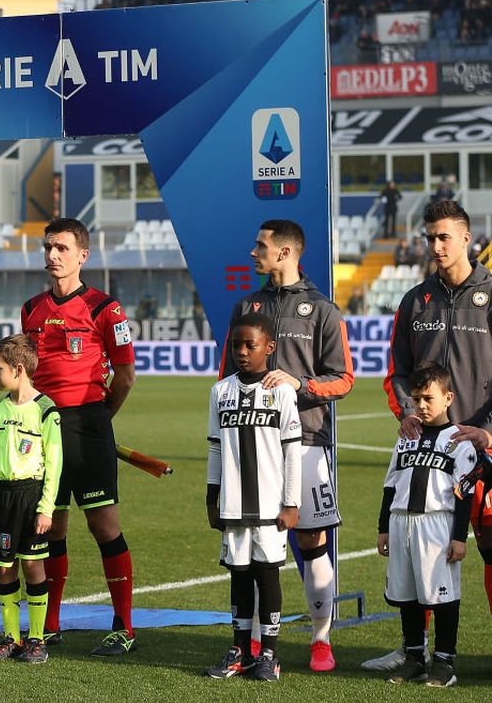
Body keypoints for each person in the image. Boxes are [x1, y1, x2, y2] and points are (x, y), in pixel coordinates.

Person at [219, 219, 352, 672]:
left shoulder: (322, 310)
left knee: (311, 541)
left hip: (308, 443)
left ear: (285, 252)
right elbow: (226, 377)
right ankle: (253, 646)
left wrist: (302, 384)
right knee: (253, 544)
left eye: (261, 245)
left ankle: (321, 639)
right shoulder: (247, 305)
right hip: (249, 447)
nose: (254, 251)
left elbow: (345, 379)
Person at [370, 199, 492, 671]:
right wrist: (407, 410)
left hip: (483, 445)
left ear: (466, 238)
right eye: (430, 237)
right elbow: (397, 370)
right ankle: (414, 652)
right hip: (428, 450)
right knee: (421, 550)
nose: (436, 246)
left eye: (445, 237)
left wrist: (485, 431)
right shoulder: (414, 299)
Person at [20, 217, 136, 656]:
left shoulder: (106, 309)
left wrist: (100, 417)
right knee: (51, 527)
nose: (52, 255)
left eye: (62, 248)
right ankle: (49, 624)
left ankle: (124, 626)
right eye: (48, 247)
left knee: (104, 526)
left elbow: (124, 375)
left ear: (83, 255)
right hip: (41, 427)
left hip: (89, 426)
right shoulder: (31, 308)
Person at [204, 312, 300, 683]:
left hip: (270, 506)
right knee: (239, 577)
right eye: (236, 345)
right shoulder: (220, 391)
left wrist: (291, 503)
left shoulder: (281, 392)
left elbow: (292, 451)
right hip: (231, 504)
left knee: (267, 575)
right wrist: (211, 499)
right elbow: (215, 449)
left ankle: (270, 655)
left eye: (250, 345)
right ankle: (240, 651)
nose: (242, 352)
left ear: (269, 348)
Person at [378, 362, 476, 688]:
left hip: (436, 525)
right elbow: (390, 486)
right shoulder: (407, 435)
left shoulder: (459, 440)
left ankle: (445, 661)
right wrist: (383, 528)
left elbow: (464, 493)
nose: (420, 405)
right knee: (407, 596)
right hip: (401, 521)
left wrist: (459, 538)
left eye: (428, 398)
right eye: (416, 398)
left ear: (448, 398)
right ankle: (415, 658)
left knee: (442, 596)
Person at [0, 335, 61, 664]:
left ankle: (37, 640)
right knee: (4, 569)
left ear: (19, 369)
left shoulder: (45, 410)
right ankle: (10, 637)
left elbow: (54, 463)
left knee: (34, 566)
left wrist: (46, 508)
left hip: (30, 497)